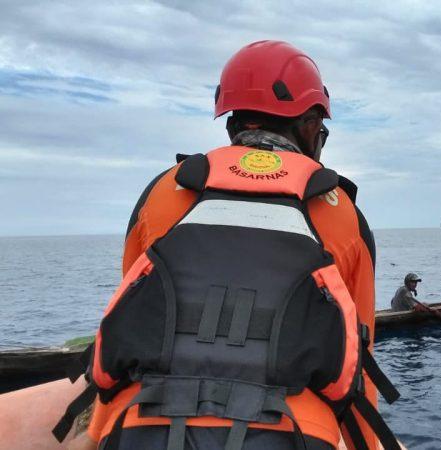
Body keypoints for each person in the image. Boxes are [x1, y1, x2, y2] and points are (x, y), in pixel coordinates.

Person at [47, 41, 400, 450]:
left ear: (232, 124)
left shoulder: (164, 190)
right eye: (320, 128)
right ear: (309, 124)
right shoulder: (343, 213)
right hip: (294, 434)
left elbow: (127, 319)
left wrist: (100, 435)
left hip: (142, 428)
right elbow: (358, 360)